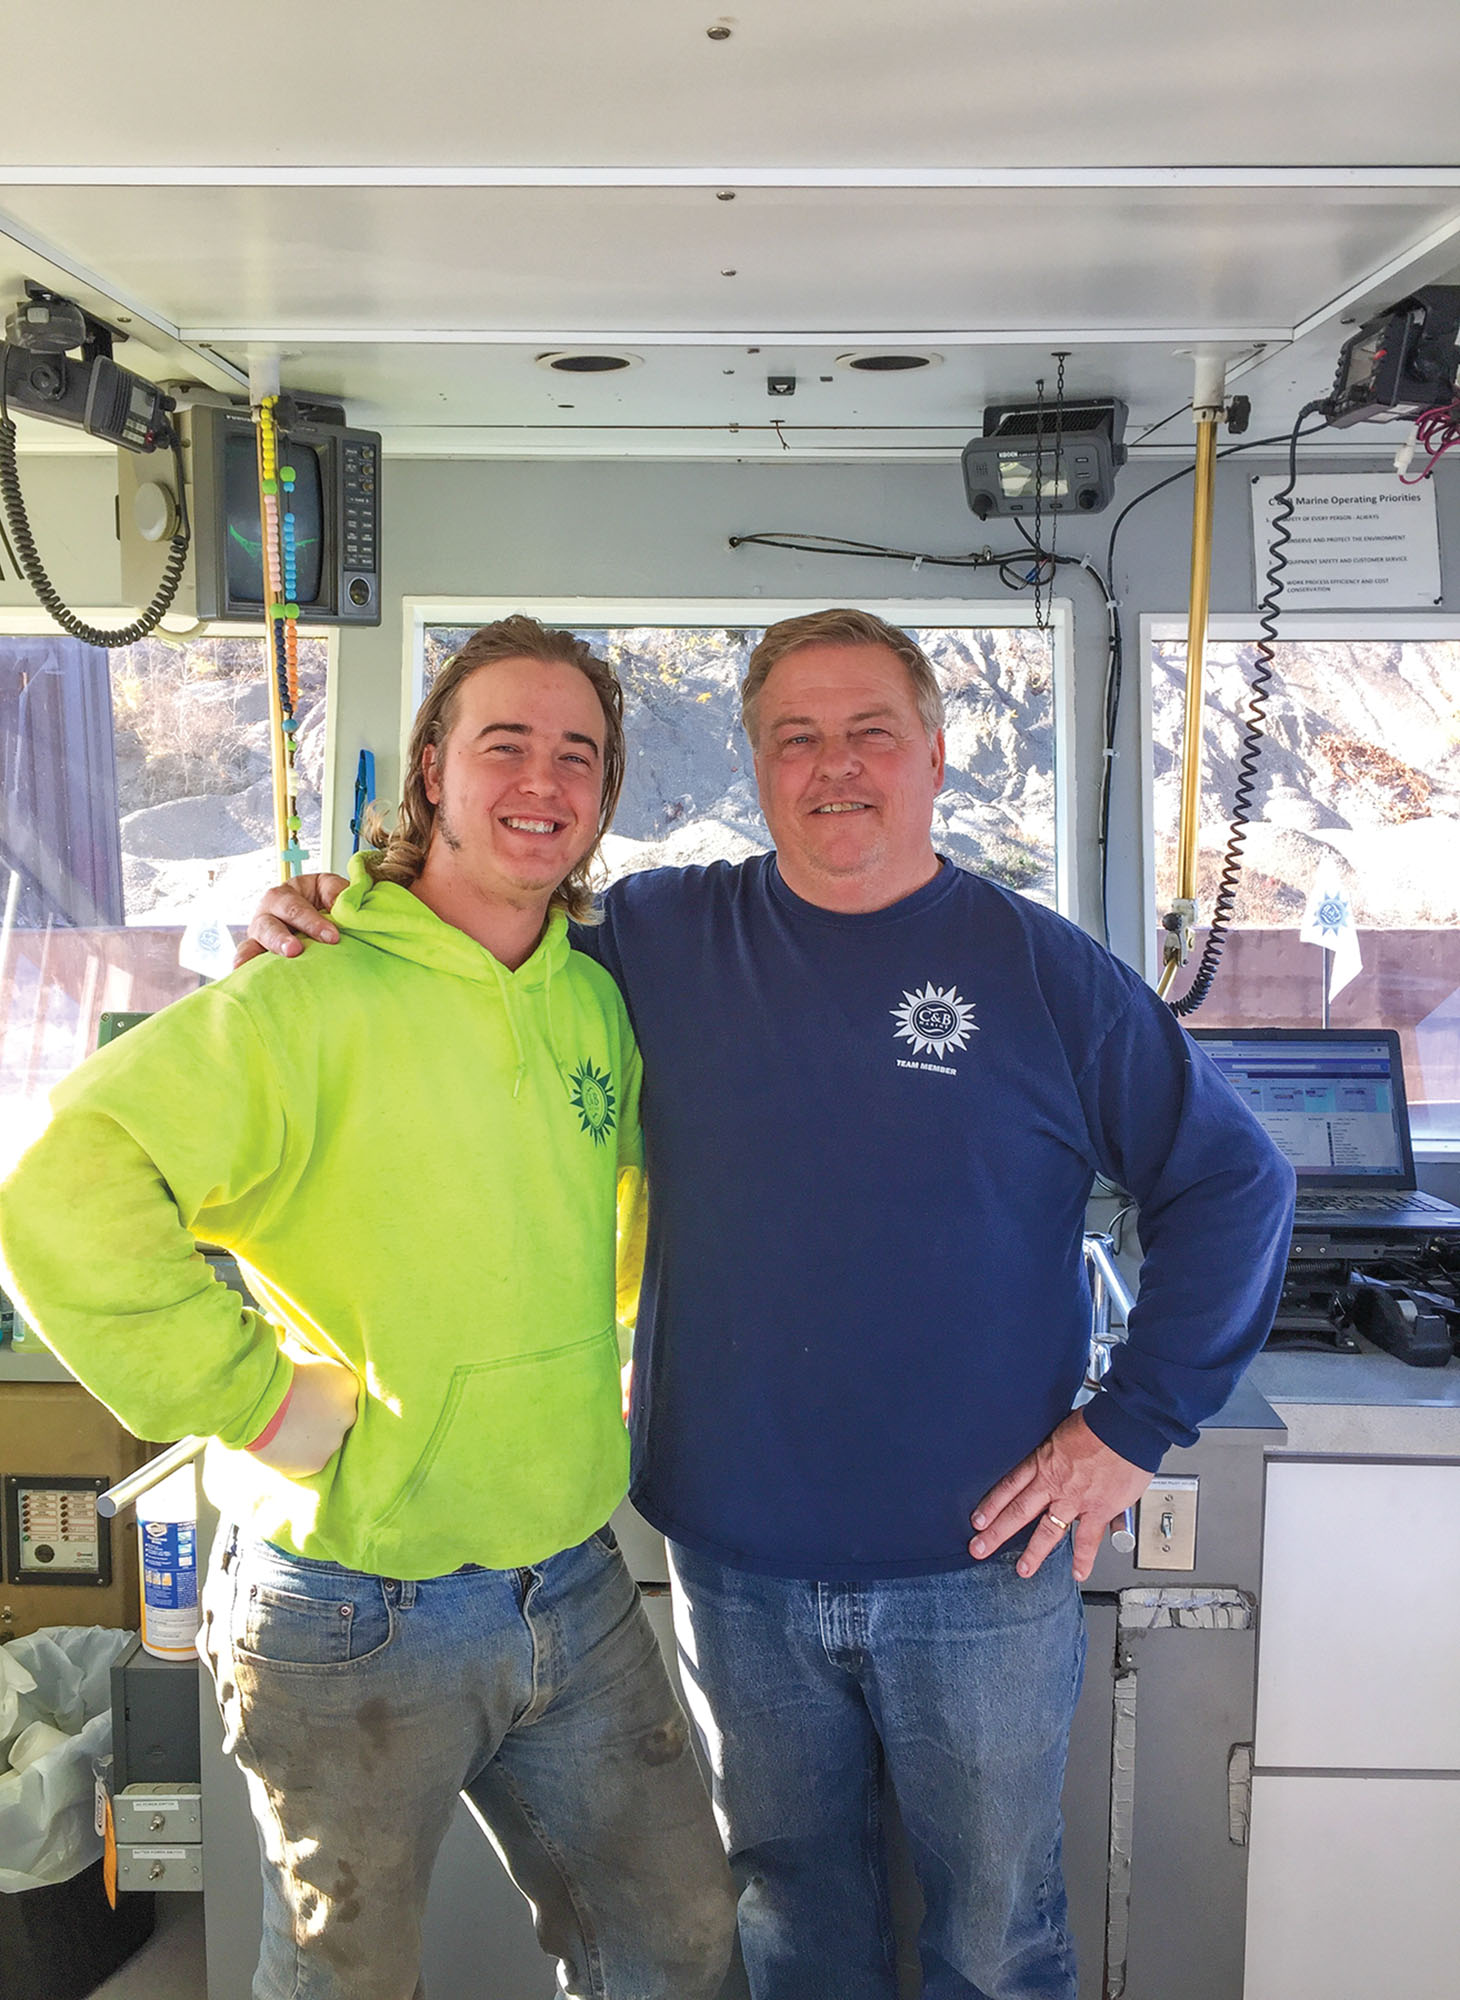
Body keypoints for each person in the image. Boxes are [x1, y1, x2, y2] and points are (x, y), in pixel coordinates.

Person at [241, 607, 1295, 2000]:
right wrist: (325, 917)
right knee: (789, 1927)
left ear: (934, 755)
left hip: (984, 1572)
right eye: (795, 736)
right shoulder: (660, 940)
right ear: (755, 765)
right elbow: (470, 939)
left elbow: (1235, 1183)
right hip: (738, 1573)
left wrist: (1130, 1425)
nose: (834, 765)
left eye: (870, 731)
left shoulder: (1044, 972)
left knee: (996, 1933)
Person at [0, 617, 735, 2000]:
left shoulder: (594, 1006)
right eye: (504, 741)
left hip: (572, 1573)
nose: (543, 777)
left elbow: (612, 1227)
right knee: (348, 1984)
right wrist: (253, 1397)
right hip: (353, 1605)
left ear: (607, 795)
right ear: (433, 772)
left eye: (580, 753)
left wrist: (576, 1354)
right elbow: (58, 1188)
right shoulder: (304, 994)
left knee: (681, 1945)